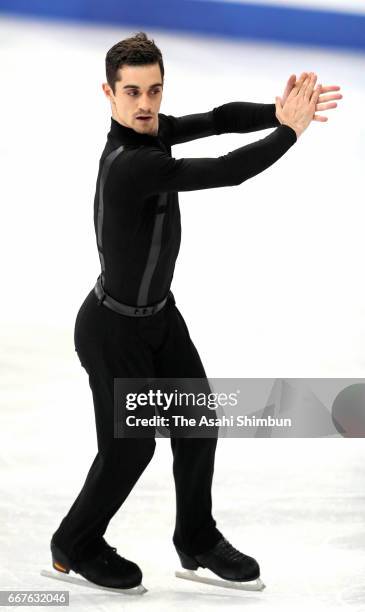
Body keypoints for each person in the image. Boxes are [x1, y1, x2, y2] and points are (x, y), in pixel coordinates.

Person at [50, 32, 341, 591]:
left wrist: (271, 111)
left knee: (197, 423)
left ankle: (197, 538)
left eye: (154, 91)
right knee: (130, 449)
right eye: (132, 92)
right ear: (108, 95)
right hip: (113, 329)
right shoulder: (131, 164)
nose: (145, 104)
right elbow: (228, 169)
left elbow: (216, 119)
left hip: (159, 316)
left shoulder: (153, 131)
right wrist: (289, 132)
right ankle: (75, 542)